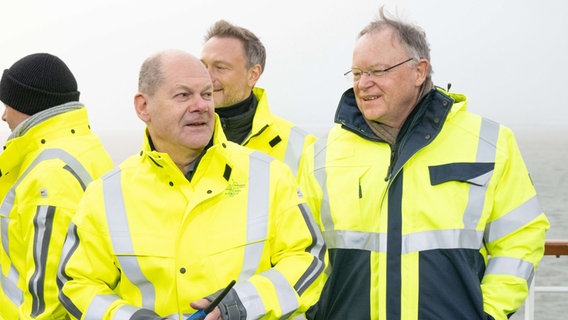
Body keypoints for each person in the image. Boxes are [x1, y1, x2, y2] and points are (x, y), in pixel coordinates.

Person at [298, 7, 550, 320]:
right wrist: (315, 311)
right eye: (358, 73)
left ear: (419, 71)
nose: (363, 84)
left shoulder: (490, 142)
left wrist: (488, 312)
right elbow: (301, 249)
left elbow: (521, 236)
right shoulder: (322, 154)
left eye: (377, 71)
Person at [57, 49, 326, 320]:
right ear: (143, 107)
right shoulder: (105, 194)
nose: (201, 106)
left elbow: (308, 259)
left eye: (207, 94)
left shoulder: (269, 176)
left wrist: (239, 304)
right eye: (183, 95)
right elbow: (78, 285)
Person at [0, 53, 114, 319]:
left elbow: (50, 297)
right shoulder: (87, 147)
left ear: (28, 104)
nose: (4, 116)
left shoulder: (50, 174)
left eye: (8, 104)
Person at [201, 20, 316, 178]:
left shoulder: (303, 146)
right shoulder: (174, 135)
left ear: (253, 75)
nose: (207, 77)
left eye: (220, 68)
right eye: (203, 66)